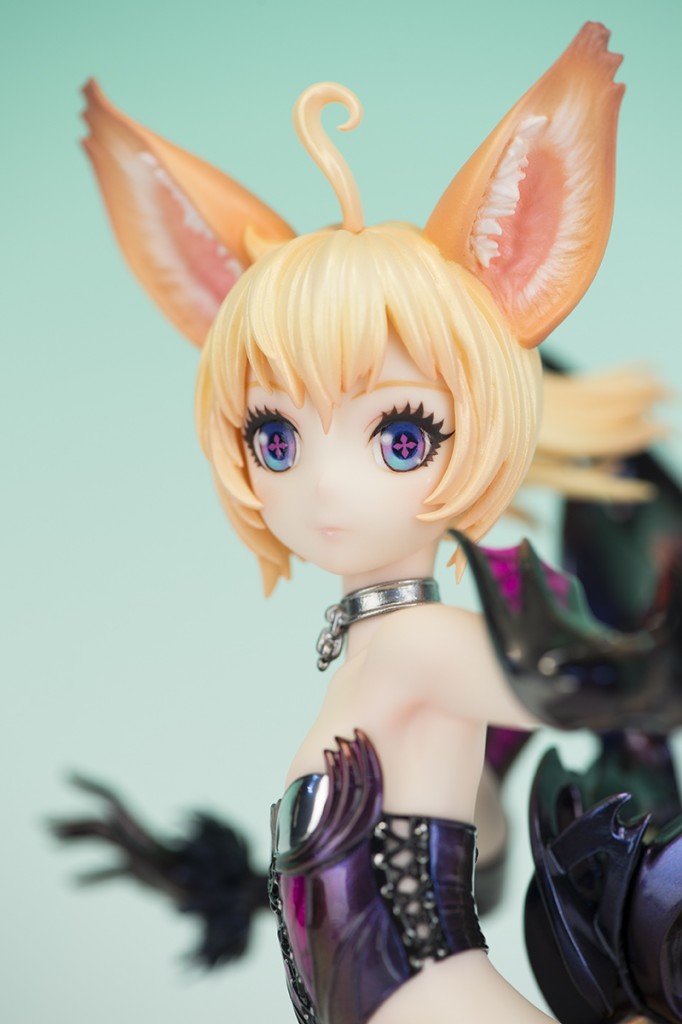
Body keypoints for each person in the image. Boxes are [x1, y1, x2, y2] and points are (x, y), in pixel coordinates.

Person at [57, 23, 682, 1024]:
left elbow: (590, 691)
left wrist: (630, 668)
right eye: (275, 438)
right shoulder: (382, 648)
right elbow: (421, 850)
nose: (324, 488)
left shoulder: (425, 641)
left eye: (399, 436)